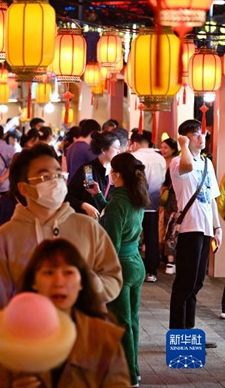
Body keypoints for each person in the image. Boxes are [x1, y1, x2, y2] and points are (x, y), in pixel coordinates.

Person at [0, 143, 122, 372]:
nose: (54, 181)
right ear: (24, 188)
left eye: (57, 173)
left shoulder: (87, 227)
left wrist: (86, 283)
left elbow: (113, 278)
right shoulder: (7, 236)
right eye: (45, 176)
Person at [0, 239, 129, 387]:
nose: (59, 282)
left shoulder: (104, 338)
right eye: (48, 272)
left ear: (81, 282)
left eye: (68, 273)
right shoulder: (9, 337)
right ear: (33, 282)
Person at [99, 153, 149, 386]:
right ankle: (134, 369)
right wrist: (99, 198)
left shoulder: (118, 202)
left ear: (117, 175)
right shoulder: (136, 195)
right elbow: (118, 216)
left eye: (111, 171)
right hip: (136, 264)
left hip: (119, 267)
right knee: (133, 321)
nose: (109, 174)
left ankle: (128, 374)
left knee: (121, 322)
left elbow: (111, 244)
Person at [169, 120, 221, 331]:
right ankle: (178, 330)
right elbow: (187, 165)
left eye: (203, 134)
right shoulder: (177, 162)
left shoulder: (207, 164)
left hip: (205, 228)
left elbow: (211, 198)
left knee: (198, 281)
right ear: (184, 138)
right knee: (186, 281)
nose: (202, 138)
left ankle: (188, 329)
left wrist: (217, 228)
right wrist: (182, 145)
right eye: (196, 134)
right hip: (190, 228)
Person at [129, 131, 167, 283]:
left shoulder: (134, 157)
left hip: (136, 201)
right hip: (154, 201)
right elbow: (163, 179)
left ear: (135, 143)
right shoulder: (160, 158)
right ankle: (151, 271)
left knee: (134, 235)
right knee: (152, 237)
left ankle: (133, 268)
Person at [67, 130, 121, 219]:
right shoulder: (89, 171)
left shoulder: (115, 171)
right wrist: (84, 205)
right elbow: (70, 196)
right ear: (103, 150)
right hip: (87, 221)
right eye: (116, 148)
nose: (119, 151)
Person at [159, 137, 180, 274]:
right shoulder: (168, 162)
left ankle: (170, 262)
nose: (162, 150)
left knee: (169, 230)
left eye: (166, 147)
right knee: (172, 230)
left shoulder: (173, 163)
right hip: (175, 203)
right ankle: (171, 262)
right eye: (161, 147)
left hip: (171, 202)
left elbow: (165, 184)